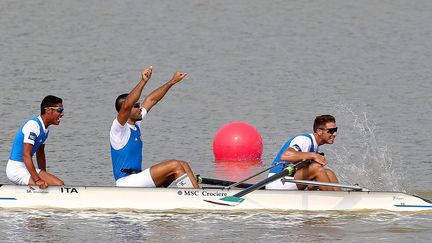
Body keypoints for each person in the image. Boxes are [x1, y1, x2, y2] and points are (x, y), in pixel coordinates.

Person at [110, 66, 199, 188]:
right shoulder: (118, 129)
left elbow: (152, 99)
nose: (140, 107)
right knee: (174, 165)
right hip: (126, 182)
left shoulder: (136, 123)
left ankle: (198, 194)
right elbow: (127, 104)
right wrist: (143, 81)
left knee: (183, 164)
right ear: (125, 111)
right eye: (136, 105)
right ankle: (194, 200)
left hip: (138, 179)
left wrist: (172, 82)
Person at [266, 115, 339, 191]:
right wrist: (313, 156)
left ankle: (340, 198)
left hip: (290, 179)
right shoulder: (304, 140)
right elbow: (285, 155)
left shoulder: (316, 148)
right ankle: (333, 200)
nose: (335, 134)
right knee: (316, 168)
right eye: (331, 131)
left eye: (335, 130)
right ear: (319, 132)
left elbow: (311, 184)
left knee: (328, 172)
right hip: (277, 181)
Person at [6, 95, 65, 189]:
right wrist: (38, 180)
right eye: (59, 110)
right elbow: (26, 154)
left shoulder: (46, 128)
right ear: (48, 110)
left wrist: (44, 174)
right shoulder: (33, 126)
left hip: (25, 167)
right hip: (16, 169)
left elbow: (40, 153)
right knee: (59, 185)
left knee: (54, 184)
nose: (62, 114)